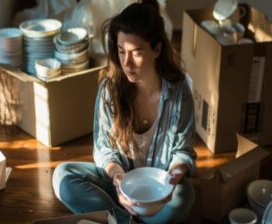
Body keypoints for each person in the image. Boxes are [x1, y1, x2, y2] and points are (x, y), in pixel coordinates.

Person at [52, 0, 197, 223]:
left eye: (136, 53)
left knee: (184, 196)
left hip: (158, 194)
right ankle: (123, 218)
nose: (127, 63)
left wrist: (172, 180)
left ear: (157, 49)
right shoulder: (110, 90)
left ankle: (112, 218)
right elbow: (104, 150)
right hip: (117, 188)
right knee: (62, 175)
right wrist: (118, 178)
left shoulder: (179, 93)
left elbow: (182, 152)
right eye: (121, 51)